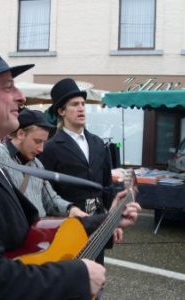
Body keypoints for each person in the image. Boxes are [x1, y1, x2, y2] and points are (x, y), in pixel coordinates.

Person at [0, 39, 141, 300]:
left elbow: (30, 232)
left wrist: (106, 221)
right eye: (8, 87)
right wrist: (77, 276)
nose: (20, 96)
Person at [38, 78, 121, 266]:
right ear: (61, 111)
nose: (81, 108)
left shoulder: (98, 143)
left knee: (96, 281)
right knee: (72, 282)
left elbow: (107, 186)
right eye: (74, 104)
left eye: (83, 104)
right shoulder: (50, 148)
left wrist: (111, 221)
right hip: (68, 226)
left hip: (97, 224)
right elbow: (47, 192)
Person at [0, 109, 87, 218]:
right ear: (20, 134)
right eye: (37, 141)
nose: (41, 149)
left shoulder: (37, 164)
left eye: (44, 142)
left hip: (37, 232)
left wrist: (70, 209)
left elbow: (51, 201)